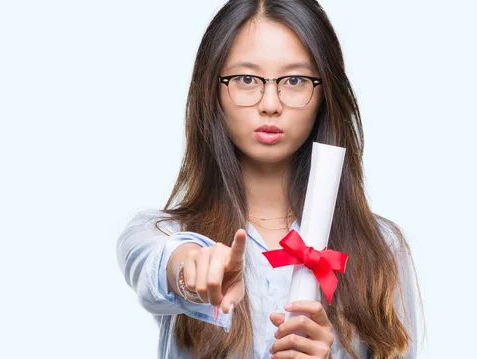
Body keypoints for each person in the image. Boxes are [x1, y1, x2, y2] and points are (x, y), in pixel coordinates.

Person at [116, 0, 423, 358]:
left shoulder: (381, 248)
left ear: (324, 94)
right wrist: (190, 271)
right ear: (213, 91)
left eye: (294, 80)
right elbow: (156, 263)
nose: (270, 103)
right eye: (247, 79)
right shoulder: (161, 232)